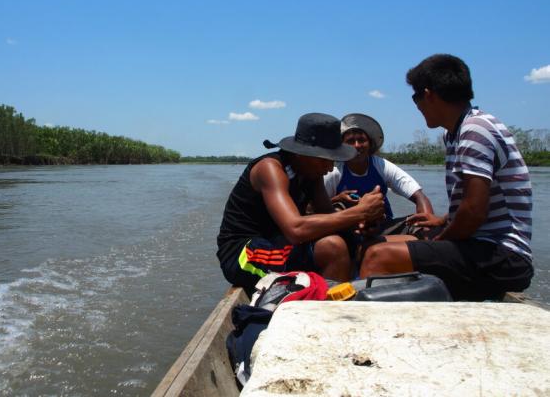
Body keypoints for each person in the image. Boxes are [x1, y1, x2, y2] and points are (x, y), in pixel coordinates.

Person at [360, 54, 533, 301]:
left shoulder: (475, 129)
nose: (416, 105)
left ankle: (378, 334)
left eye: (415, 96)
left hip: (504, 254)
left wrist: (441, 238)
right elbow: (477, 202)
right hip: (479, 244)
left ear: (428, 94)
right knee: (374, 244)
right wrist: (443, 220)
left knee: (378, 256)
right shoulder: (454, 133)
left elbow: (474, 212)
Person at [217, 113, 385, 294]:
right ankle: (323, 312)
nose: (329, 168)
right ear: (301, 154)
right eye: (324, 159)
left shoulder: (312, 173)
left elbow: (329, 216)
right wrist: (360, 212)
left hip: (278, 241)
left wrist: (363, 223)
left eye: (332, 160)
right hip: (243, 253)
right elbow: (295, 229)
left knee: (356, 240)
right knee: (332, 247)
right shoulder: (270, 169)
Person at [323, 113, 434, 220]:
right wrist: (337, 199)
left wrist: (427, 224)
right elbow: (313, 209)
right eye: (350, 141)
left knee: (417, 225)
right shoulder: (335, 171)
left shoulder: (382, 166)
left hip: (384, 226)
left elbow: (419, 196)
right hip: (348, 229)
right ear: (342, 146)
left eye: (361, 140)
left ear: (370, 144)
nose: (356, 145)